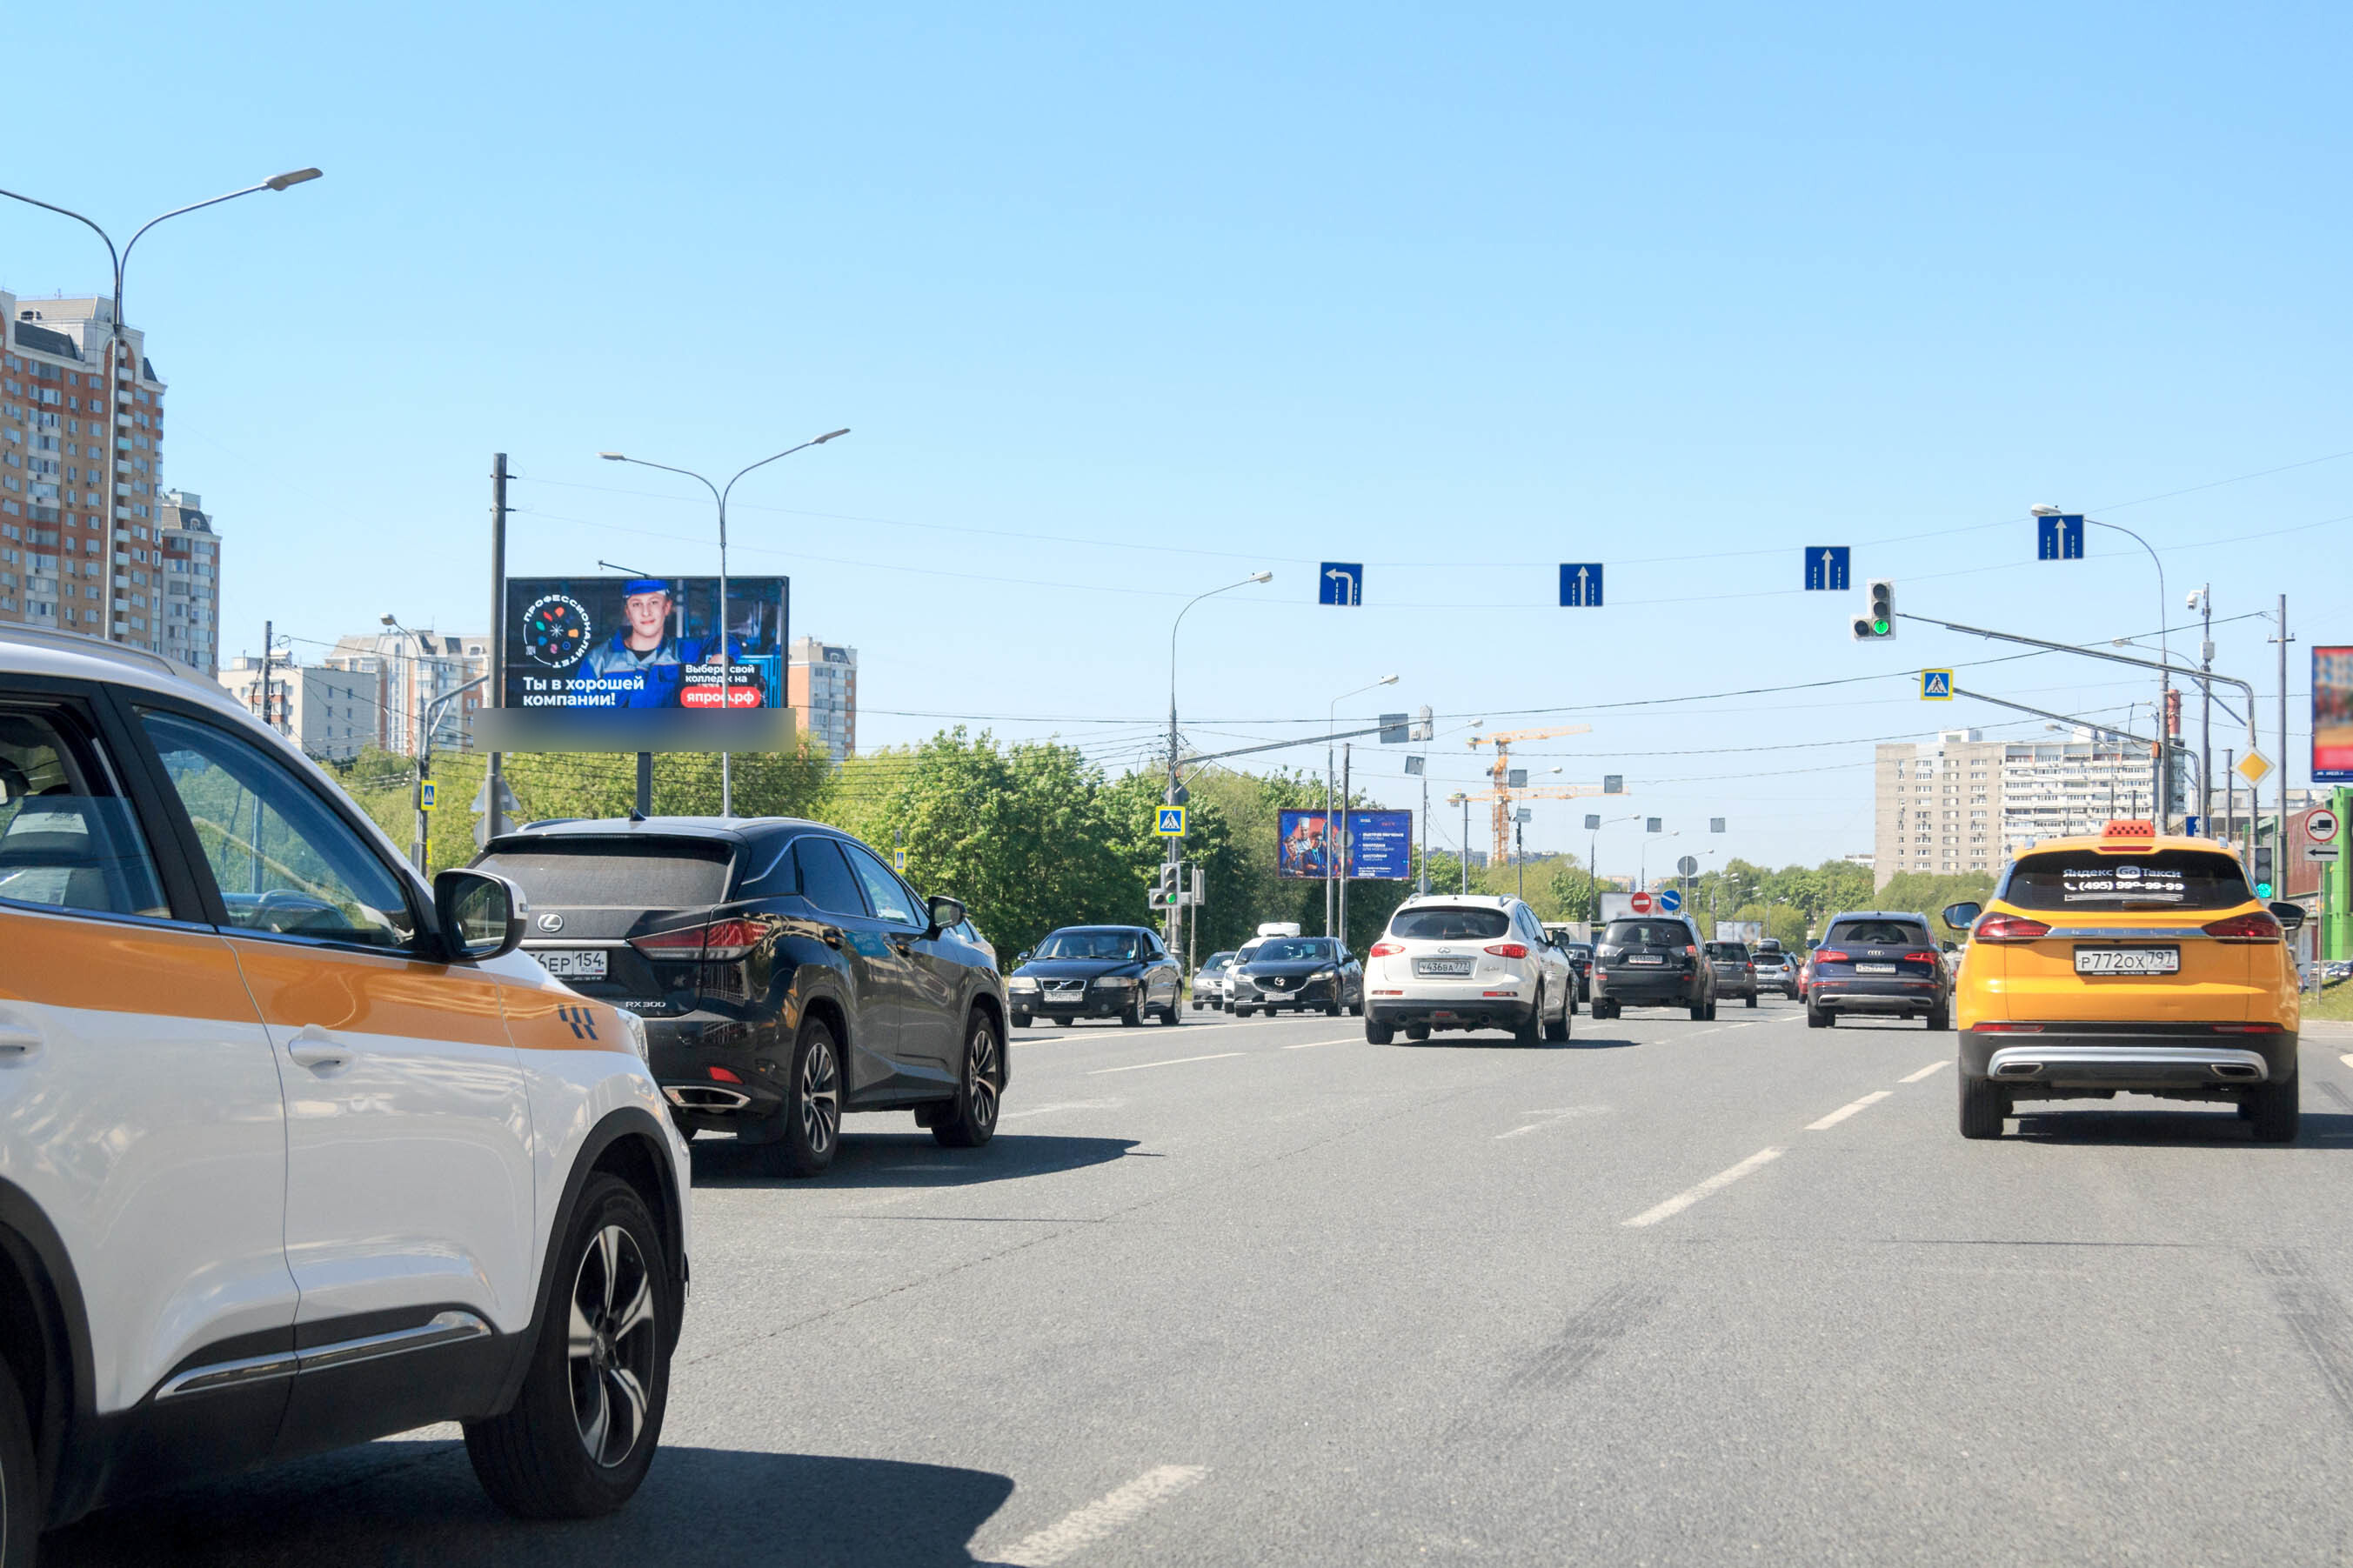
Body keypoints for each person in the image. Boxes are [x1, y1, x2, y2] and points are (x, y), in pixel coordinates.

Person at [578, 579, 708, 709]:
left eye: (654, 602)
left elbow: (725, 641)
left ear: (667, 607)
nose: (646, 612)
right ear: (627, 611)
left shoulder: (683, 652)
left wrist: (717, 660)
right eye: (636, 604)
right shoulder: (598, 660)